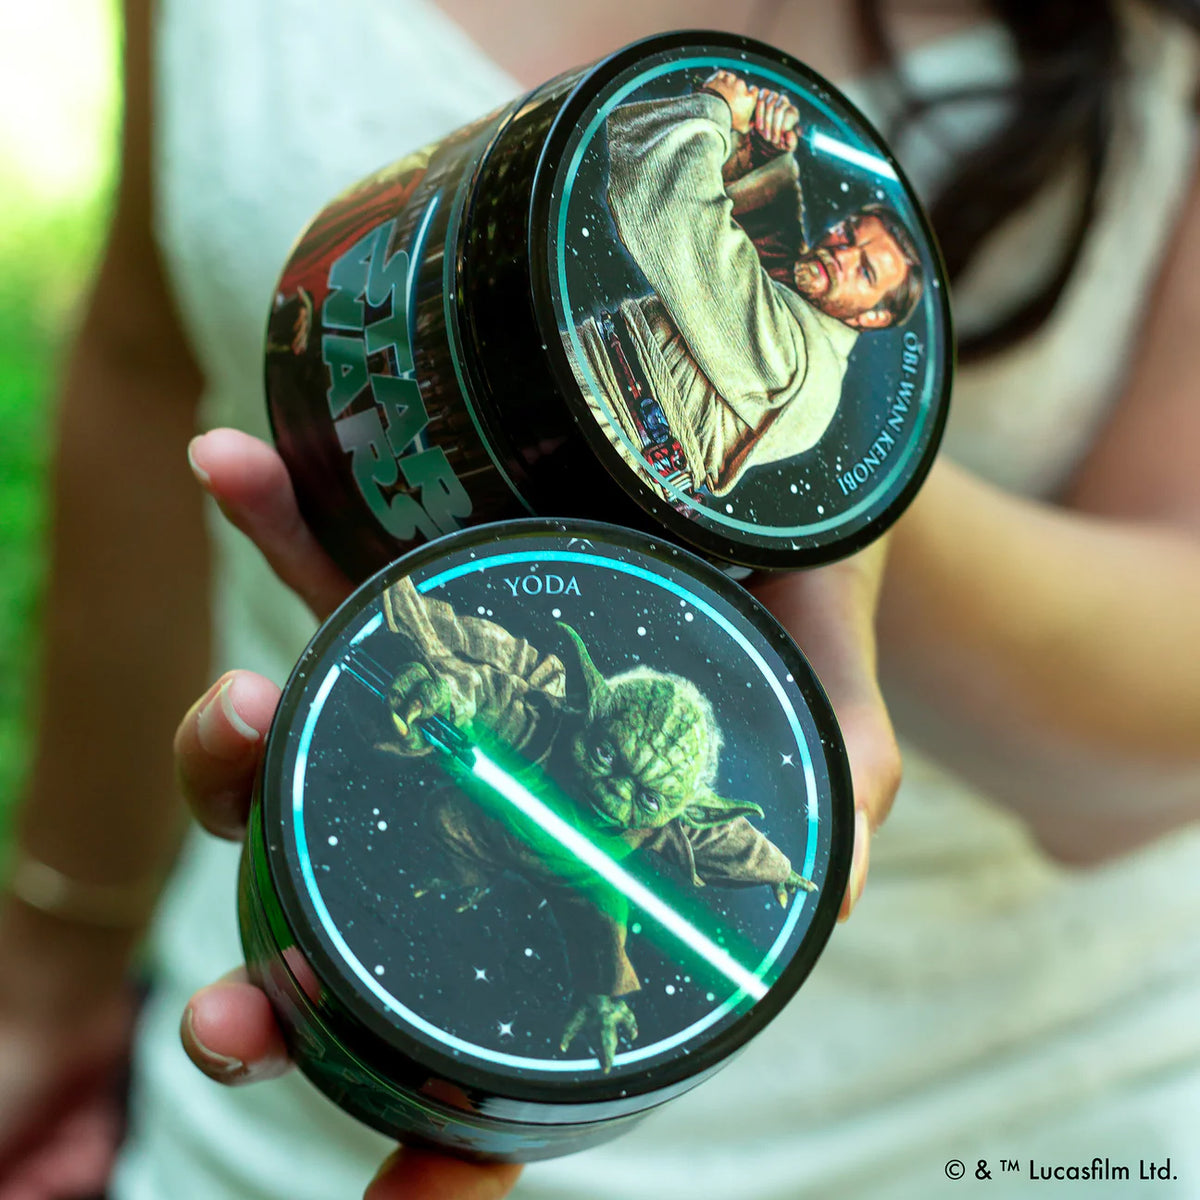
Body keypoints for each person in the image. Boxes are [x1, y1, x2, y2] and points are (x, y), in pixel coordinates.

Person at [2, 1, 1198, 1199]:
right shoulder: (771, 277)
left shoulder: (788, 351)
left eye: (873, 269)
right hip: (327, 925)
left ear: (881, 316)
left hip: (986, 1118)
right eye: (851, 244)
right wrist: (60, 947)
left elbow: (663, 209)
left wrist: (838, 532)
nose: (840, 253)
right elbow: (148, 367)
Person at [574, 68, 924, 498]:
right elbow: (775, 268)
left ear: (872, 316)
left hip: (599, 441)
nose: (842, 252)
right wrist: (762, 153)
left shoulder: (799, 362)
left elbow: (681, 217)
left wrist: (712, 110)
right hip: (592, 419)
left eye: (865, 271)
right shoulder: (805, 327)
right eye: (848, 233)